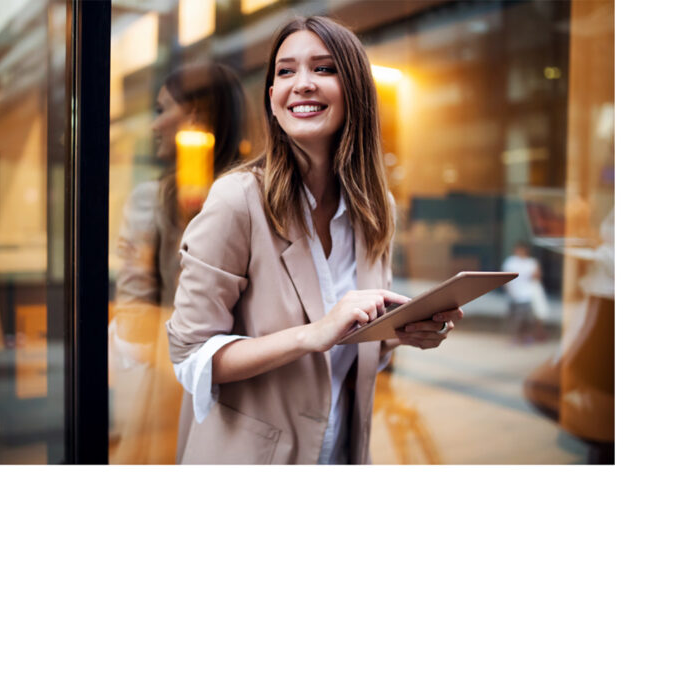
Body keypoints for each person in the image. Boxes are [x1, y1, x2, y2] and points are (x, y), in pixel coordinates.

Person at [166, 16, 464, 465]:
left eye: (323, 69)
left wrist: (399, 334)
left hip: (340, 451)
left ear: (356, 92)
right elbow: (190, 357)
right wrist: (314, 334)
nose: (301, 83)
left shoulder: (374, 207)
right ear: (272, 97)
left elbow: (348, 346)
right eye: (285, 71)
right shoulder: (238, 200)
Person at [111, 62, 250, 464]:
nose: (154, 125)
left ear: (193, 115)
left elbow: (136, 319)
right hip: (254, 379)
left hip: (179, 381)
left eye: (161, 110)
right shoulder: (260, 194)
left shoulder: (151, 200)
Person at [502, 241, 544, 343]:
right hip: (514, 294)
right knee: (515, 319)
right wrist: (509, 291)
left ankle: (526, 336)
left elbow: (537, 277)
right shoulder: (510, 261)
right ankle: (515, 337)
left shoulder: (531, 262)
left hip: (527, 295)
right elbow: (504, 278)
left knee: (527, 319)